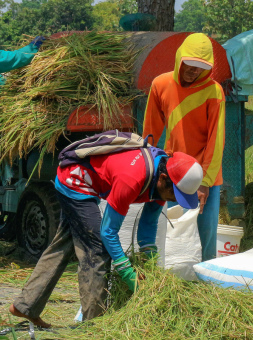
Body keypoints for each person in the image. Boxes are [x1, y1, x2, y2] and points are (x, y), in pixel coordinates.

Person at [9, 144, 203, 328]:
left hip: (84, 181)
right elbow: (108, 232)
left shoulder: (162, 179)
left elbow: (148, 226)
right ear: (162, 178)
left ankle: (25, 306)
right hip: (76, 181)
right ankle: (94, 324)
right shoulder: (132, 179)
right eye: (174, 194)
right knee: (97, 249)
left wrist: (151, 265)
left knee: (64, 245)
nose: (173, 200)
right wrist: (128, 274)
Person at [142, 33, 225, 262]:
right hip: (172, 171)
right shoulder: (160, 84)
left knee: (206, 237)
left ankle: (206, 284)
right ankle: (162, 275)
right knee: (164, 228)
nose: (194, 71)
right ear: (180, 59)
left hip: (205, 174)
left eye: (201, 67)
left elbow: (216, 141)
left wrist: (205, 182)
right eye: (191, 64)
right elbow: (151, 131)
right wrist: (146, 168)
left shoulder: (214, 91)